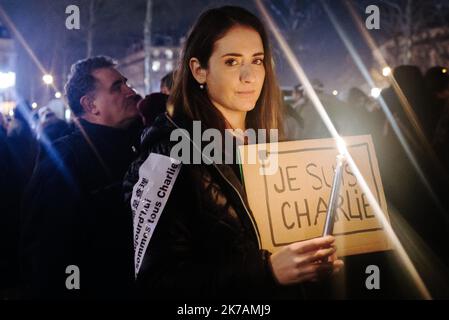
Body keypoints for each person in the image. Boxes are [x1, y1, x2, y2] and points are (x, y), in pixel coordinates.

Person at [123, 6, 343, 300]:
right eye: (231, 62)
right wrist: (266, 272)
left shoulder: (272, 142)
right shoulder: (171, 154)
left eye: (257, 60)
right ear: (199, 70)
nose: (249, 75)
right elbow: (157, 283)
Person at [20, 56, 143, 299]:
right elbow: (48, 252)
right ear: (90, 105)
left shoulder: (141, 146)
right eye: (117, 87)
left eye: (126, 83)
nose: (130, 91)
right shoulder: (64, 161)